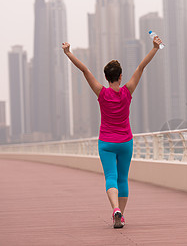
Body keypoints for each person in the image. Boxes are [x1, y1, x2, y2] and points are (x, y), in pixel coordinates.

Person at [62, 36, 161, 228]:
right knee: (123, 178)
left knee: (111, 177)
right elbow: (141, 67)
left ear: (106, 77)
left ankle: (115, 209)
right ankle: (120, 216)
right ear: (121, 76)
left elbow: (84, 70)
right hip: (125, 142)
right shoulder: (127, 91)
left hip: (106, 143)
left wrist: (68, 53)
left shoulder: (101, 92)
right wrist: (155, 48)